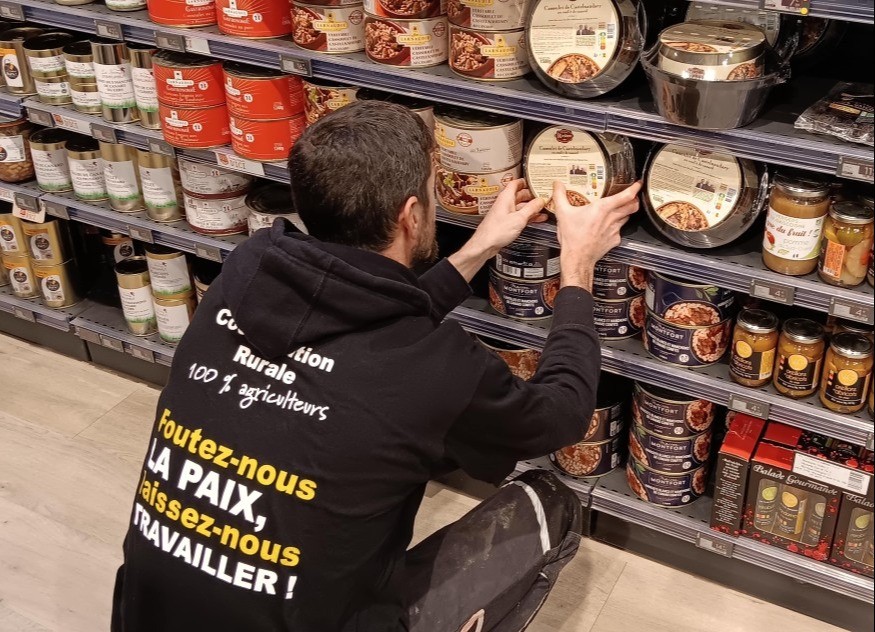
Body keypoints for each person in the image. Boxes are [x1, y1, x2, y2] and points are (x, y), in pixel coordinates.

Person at [111, 101, 641, 632]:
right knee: (550, 502)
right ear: (412, 216)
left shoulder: (244, 275)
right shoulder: (435, 366)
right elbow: (558, 416)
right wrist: (577, 268)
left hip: (144, 616)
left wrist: (477, 249)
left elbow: (364, 321)